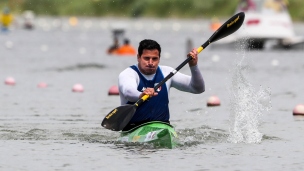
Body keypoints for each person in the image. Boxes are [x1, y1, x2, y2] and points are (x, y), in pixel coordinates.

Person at [118, 39, 205, 131]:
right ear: (138, 57)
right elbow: (128, 92)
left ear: (159, 59)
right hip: (134, 129)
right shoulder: (128, 74)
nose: (151, 62)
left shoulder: (167, 72)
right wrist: (141, 94)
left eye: (154, 59)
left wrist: (193, 66)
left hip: (163, 128)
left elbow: (198, 88)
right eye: (146, 58)